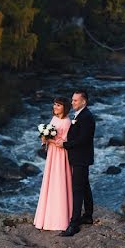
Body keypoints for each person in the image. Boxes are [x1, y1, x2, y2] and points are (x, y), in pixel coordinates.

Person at [33, 97, 73, 231]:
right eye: (55, 104)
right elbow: (50, 136)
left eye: (58, 105)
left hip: (60, 155)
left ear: (64, 107)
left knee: (59, 182)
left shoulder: (67, 122)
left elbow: (65, 141)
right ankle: (47, 217)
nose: (55, 107)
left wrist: (50, 140)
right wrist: (45, 138)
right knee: (50, 182)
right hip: (52, 154)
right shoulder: (54, 118)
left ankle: (59, 220)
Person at [60, 89, 95, 237]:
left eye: (75, 100)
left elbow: (83, 139)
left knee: (77, 190)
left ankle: (74, 224)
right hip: (79, 157)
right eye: (72, 100)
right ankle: (87, 215)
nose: (72, 102)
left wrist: (65, 145)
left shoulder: (87, 117)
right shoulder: (80, 115)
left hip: (81, 158)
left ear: (83, 101)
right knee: (84, 185)